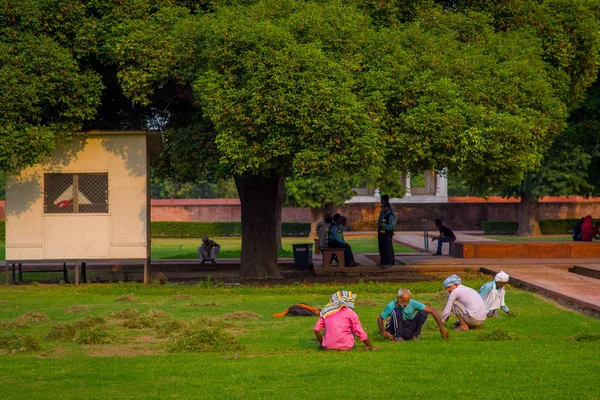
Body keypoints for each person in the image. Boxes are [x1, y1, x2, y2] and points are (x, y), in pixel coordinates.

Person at [377, 288, 449, 342]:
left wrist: (442, 329)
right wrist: (383, 332)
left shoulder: (413, 303)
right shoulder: (391, 306)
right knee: (396, 310)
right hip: (394, 328)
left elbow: (432, 311)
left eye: (407, 301)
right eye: (403, 301)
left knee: (423, 312)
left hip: (407, 327)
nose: (405, 303)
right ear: (398, 298)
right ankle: (398, 337)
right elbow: (379, 319)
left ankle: (414, 336)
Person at [377, 196, 397, 268]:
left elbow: (393, 221)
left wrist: (386, 227)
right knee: (382, 246)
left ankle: (390, 261)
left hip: (387, 231)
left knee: (387, 246)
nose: (380, 201)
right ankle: (383, 261)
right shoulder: (384, 210)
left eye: (381, 200)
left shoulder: (390, 212)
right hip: (382, 230)